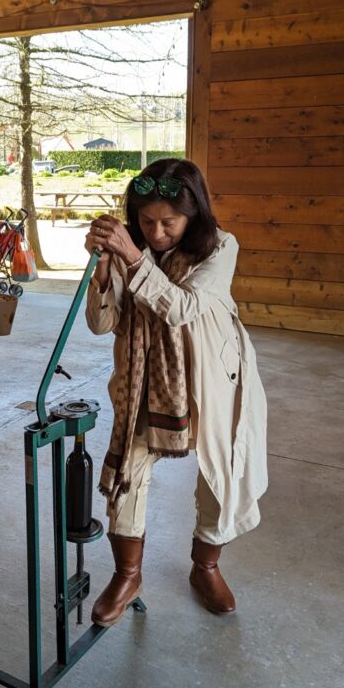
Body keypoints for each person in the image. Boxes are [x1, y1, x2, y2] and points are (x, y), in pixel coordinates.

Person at [84, 158, 268, 627]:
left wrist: (132, 258)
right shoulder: (131, 250)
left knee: (219, 473)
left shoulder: (221, 247)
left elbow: (181, 307)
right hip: (143, 380)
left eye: (169, 221)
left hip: (212, 380)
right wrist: (104, 270)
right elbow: (101, 322)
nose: (158, 231)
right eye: (146, 221)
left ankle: (205, 566)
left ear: (194, 214)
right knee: (129, 467)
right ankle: (128, 575)